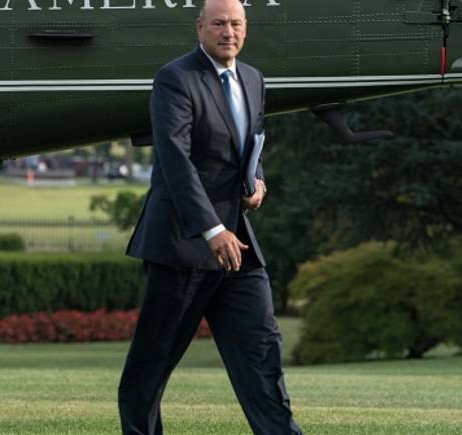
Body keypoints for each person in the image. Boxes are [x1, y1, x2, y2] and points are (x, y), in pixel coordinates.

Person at [117, 0, 303, 434]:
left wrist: (256, 181)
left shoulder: (253, 79)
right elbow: (175, 160)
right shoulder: (174, 79)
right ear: (200, 27)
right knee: (148, 373)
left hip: (238, 247)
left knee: (261, 355)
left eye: (236, 24)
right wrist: (212, 228)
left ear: (246, 27)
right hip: (182, 245)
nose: (229, 32)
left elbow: (250, 145)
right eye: (219, 23)